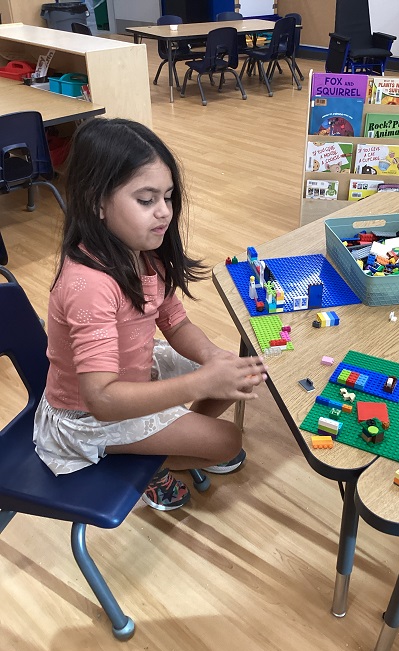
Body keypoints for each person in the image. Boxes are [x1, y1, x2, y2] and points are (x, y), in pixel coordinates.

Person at [33, 118, 267, 511]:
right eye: (146, 200)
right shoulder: (89, 286)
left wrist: (212, 360)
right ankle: (146, 465)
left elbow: (175, 322)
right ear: (96, 202)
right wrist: (198, 384)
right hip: (87, 419)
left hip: (131, 374)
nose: (164, 213)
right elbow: (102, 400)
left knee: (236, 375)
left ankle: (163, 436)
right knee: (228, 440)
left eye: (169, 197)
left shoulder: (145, 253)